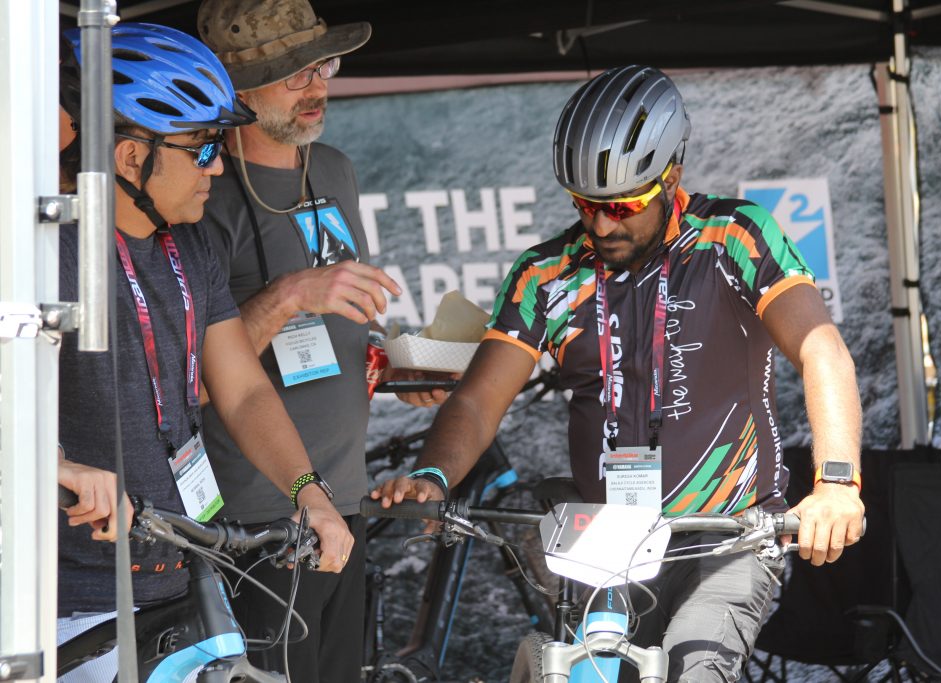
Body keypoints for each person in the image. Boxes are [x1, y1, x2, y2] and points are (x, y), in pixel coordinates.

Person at [372, 65, 866, 681]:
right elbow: (476, 402)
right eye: (586, 206)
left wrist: (838, 483)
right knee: (588, 674)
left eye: (623, 206)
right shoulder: (545, 272)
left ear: (672, 178)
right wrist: (432, 474)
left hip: (727, 534)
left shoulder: (736, 236)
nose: (602, 225)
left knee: (695, 667)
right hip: (606, 545)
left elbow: (823, 350)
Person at [55, 23, 351, 682]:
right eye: (203, 146)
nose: (218, 164)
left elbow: (243, 391)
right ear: (132, 158)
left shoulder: (190, 246)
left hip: (183, 574)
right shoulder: (47, 251)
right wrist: (63, 465)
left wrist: (309, 492)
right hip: (70, 601)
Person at [194, 1, 446, 679]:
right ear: (233, 88)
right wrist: (286, 295)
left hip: (345, 500)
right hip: (258, 519)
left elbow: (338, 328)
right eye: (294, 75)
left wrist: (393, 366)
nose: (318, 87)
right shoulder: (200, 192)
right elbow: (192, 371)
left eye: (323, 66)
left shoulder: (333, 168)